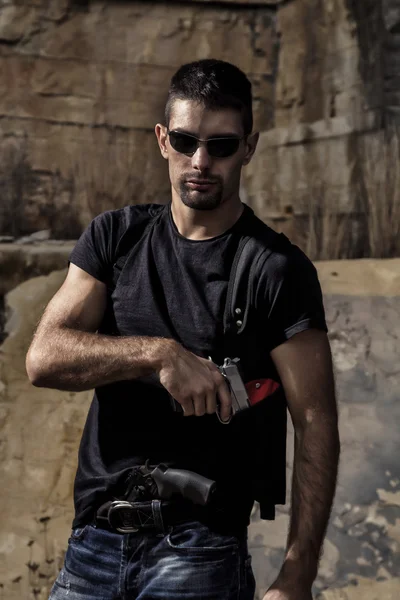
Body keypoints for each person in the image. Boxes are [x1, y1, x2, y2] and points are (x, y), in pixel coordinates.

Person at [26, 59, 340, 600]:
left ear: (249, 147)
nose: (200, 161)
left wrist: (297, 575)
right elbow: (44, 358)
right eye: (185, 139)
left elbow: (315, 421)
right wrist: (158, 355)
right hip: (93, 545)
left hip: (198, 553)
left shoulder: (275, 269)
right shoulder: (115, 238)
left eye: (221, 145)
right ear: (162, 139)